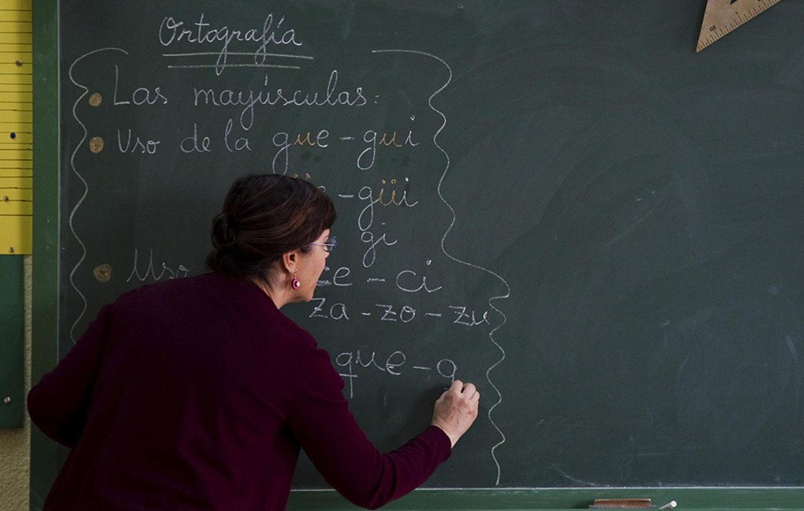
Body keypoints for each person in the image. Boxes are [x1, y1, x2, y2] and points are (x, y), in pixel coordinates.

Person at [28, 174, 479, 510]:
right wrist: (446, 430)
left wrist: (125, 455)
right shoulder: (292, 354)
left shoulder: (136, 307)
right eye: (325, 245)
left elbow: (48, 405)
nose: (328, 257)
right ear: (290, 259)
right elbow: (371, 484)